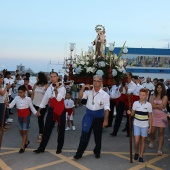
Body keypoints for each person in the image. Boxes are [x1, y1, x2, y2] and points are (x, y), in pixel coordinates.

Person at [74, 75, 110, 159]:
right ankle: (79, 153)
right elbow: (79, 97)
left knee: (98, 136)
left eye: (97, 80)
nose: (95, 82)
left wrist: (106, 120)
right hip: (88, 116)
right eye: (94, 80)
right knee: (84, 135)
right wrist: (83, 88)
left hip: (98, 117)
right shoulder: (88, 92)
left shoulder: (105, 95)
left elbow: (106, 108)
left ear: (101, 82)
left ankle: (97, 151)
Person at [33, 72, 66, 154]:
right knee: (47, 129)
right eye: (51, 77)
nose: (53, 78)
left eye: (54, 76)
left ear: (57, 77)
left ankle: (59, 148)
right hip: (52, 110)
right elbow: (45, 100)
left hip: (60, 110)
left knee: (61, 130)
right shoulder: (49, 87)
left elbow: (58, 99)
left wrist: (56, 89)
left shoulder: (62, 88)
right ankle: (41, 147)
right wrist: (39, 110)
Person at [6, 85, 37, 153]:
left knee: (25, 131)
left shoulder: (28, 99)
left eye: (21, 92)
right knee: (21, 131)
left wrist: (36, 113)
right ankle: (26, 141)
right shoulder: (16, 98)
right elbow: (11, 105)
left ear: (25, 92)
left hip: (26, 117)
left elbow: (31, 107)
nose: (19, 94)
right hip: (19, 116)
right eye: (19, 92)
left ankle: (22, 147)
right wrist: (7, 104)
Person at [127, 88, 152, 163]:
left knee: (143, 140)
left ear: (146, 96)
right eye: (140, 94)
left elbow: (150, 116)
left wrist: (150, 127)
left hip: (145, 125)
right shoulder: (135, 103)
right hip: (137, 124)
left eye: (143, 95)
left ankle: (141, 156)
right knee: (136, 141)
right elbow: (132, 114)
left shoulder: (148, 105)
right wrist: (129, 112)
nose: (141, 96)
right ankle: (137, 152)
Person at [110, 72, 136, 137]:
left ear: (130, 76)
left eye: (126, 76)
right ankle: (114, 131)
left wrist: (126, 87)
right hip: (122, 100)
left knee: (129, 117)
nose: (125, 78)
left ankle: (129, 132)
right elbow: (120, 91)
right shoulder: (123, 83)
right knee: (118, 116)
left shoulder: (133, 84)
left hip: (129, 100)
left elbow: (129, 92)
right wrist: (122, 85)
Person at [148, 82, 168, 156]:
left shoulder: (165, 96)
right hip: (154, 116)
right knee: (152, 131)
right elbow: (150, 104)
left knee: (161, 133)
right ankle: (152, 141)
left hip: (162, 116)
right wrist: (158, 105)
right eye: (158, 87)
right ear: (156, 88)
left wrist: (155, 105)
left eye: (160, 87)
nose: (159, 89)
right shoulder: (154, 95)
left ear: (163, 88)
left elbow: (163, 106)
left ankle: (159, 149)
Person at [31, 72, 49, 143]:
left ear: (40, 77)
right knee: (39, 119)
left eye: (37, 76)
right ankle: (42, 131)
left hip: (43, 105)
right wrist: (30, 103)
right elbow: (32, 94)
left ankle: (41, 134)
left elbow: (48, 96)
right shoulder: (35, 85)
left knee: (40, 119)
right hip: (35, 104)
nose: (36, 78)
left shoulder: (46, 85)